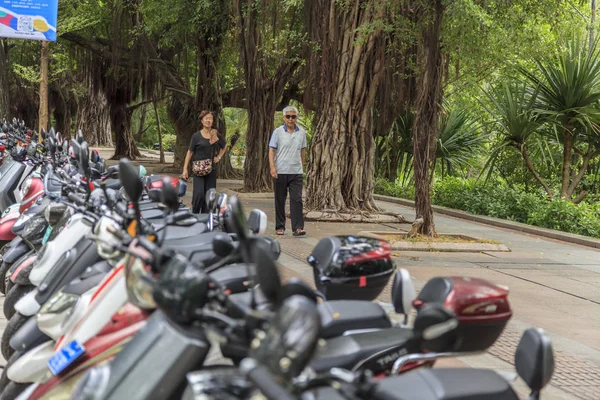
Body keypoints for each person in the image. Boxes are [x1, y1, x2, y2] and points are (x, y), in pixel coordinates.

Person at [269, 106, 307, 236]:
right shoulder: (277, 132)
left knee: (296, 199)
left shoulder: (301, 133)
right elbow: (272, 150)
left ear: (296, 118)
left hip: (296, 172)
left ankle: (297, 228)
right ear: (284, 118)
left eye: (293, 116)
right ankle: (280, 227)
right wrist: (272, 167)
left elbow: (303, 150)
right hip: (281, 171)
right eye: (288, 116)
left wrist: (301, 165)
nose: (291, 119)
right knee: (280, 199)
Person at [182, 110, 227, 214]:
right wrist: (185, 170)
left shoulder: (215, 134)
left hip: (212, 169)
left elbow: (224, 146)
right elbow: (189, 152)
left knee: (210, 195)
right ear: (201, 121)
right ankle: (195, 214)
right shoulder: (196, 136)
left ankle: (208, 218)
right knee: (199, 194)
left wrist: (219, 157)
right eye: (206, 118)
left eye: (210, 118)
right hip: (198, 170)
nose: (208, 120)